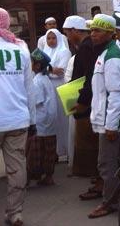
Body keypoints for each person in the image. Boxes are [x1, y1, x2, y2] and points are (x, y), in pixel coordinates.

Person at [0, 8, 35, 226]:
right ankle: (15, 213)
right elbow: (29, 88)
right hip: (17, 119)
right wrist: (32, 120)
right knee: (17, 168)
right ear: (6, 23)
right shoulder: (20, 50)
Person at [87, 14, 120, 219]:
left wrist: (111, 126)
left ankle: (109, 202)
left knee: (107, 164)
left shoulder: (112, 57)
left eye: (98, 31)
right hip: (108, 120)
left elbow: (117, 93)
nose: (93, 34)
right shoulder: (105, 54)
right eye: (92, 30)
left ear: (110, 34)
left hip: (110, 122)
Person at [63, 16, 102, 188]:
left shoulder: (86, 48)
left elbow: (88, 78)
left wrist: (82, 102)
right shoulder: (86, 47)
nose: (67, 37)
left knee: (89, 145)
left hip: (87, 104)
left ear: (75, 31)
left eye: (67, 33)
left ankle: (99, 183)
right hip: (88, 101)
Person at [27, 49, 58, 186]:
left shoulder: (37, 81)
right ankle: (48, 176)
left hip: (40, 120)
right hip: (49, 120)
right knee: (49, 150)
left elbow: (36, 102)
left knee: (36, 151)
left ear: (37, 65)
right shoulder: (45, 78)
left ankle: (31, 176)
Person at [42, 28, 71, 160]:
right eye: (48, 38)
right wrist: (51, 70)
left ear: (59, 39)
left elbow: (61, 72)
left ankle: (64, 151)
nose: (51, 41)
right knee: (52, 119)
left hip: (60, 88)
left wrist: (46, 70)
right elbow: (38, 69)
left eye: (53, 38)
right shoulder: (45, 52)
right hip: (48, 89)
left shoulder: (64, 51)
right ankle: (54, 151)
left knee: (62, 119)